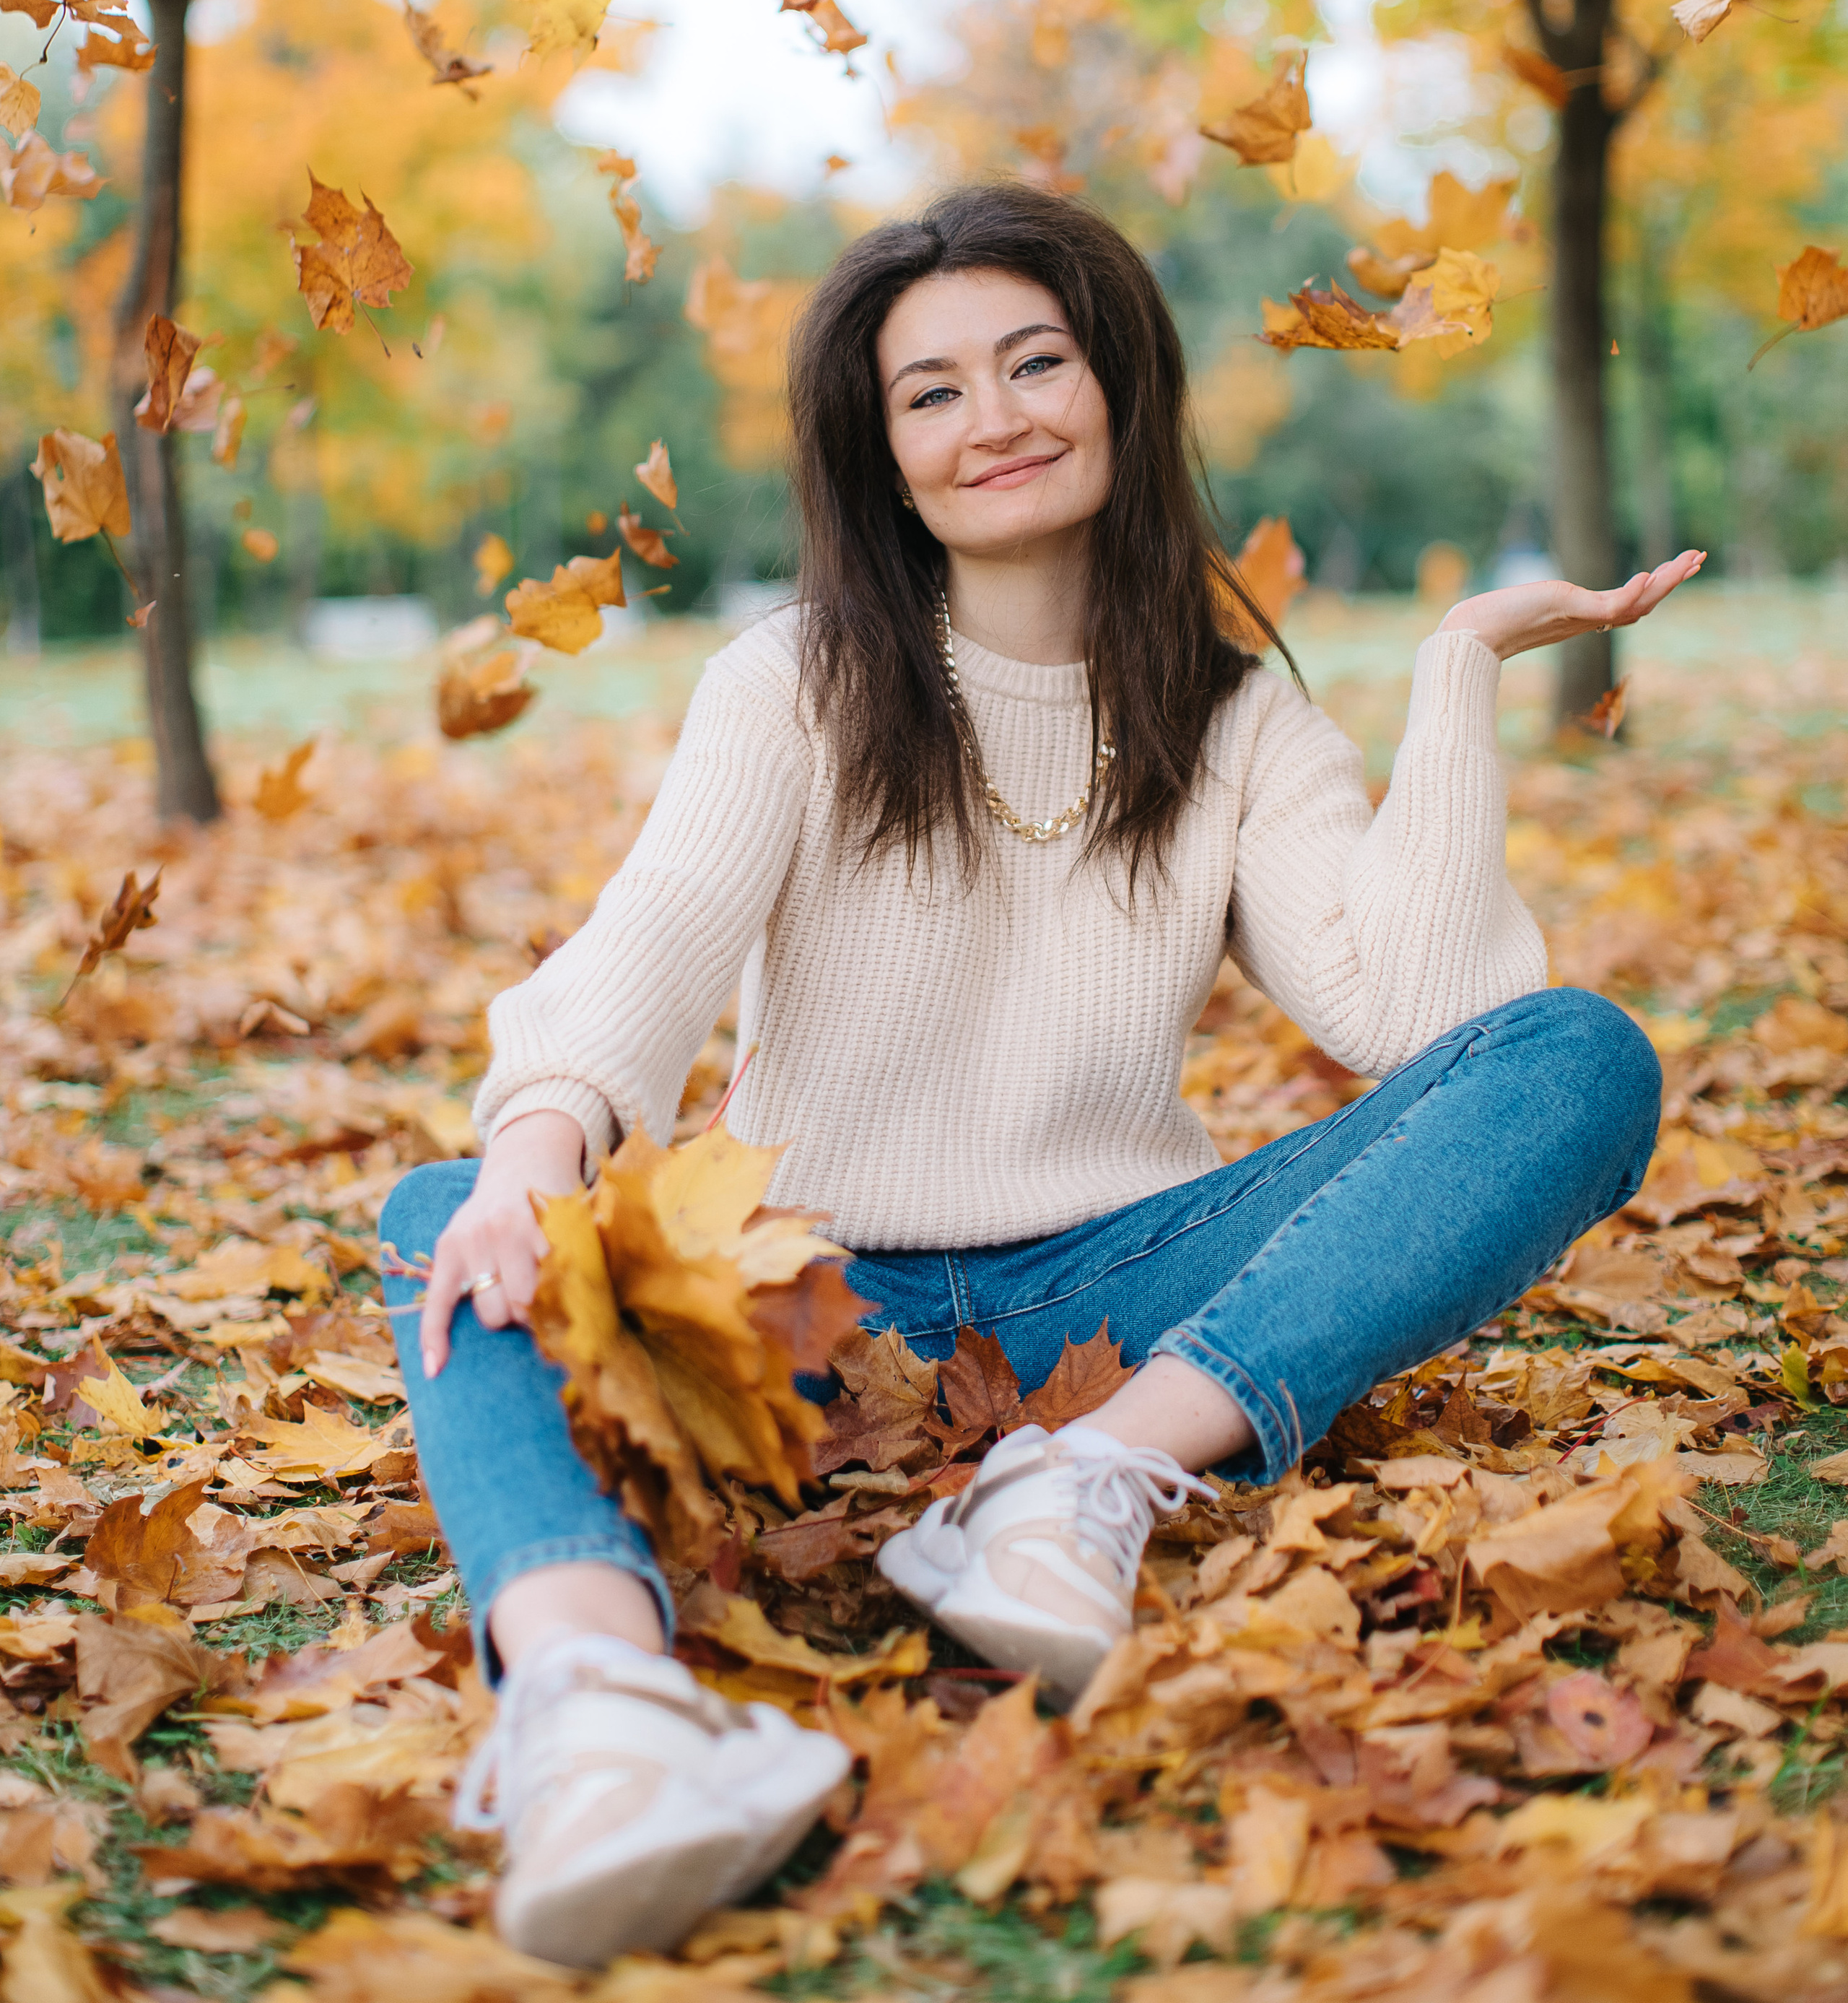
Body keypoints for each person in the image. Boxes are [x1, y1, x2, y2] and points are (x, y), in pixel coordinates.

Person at [383, 184, 1699, 1968]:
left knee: (1575, 1058)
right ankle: (606, 1721)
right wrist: (540, 1159)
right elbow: (648, 948)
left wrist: (1455, 670)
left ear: (1118, 388)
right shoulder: (798, 682)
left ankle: (1079, 1486)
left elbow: (1422, 1016)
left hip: (1114, 1301)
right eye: (931, 393)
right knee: (446, 1214)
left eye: (1032, 363)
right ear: (886, 456)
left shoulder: (1234, 721)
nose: (991, 417)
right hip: (801, 1302)